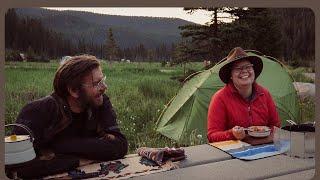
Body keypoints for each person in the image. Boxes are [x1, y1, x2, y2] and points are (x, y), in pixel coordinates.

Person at [9, 55, 128, 178]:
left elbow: (120, 146)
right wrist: (76, 161)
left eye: (103, 80)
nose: (104, 87)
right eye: (97, 83)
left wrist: (60, 146)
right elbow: (17, 168)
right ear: (74, 90)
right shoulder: (36, 112)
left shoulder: (100, 103)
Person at [207, 47, 280, 145]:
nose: (244, 71)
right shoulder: (220, 98)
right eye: (238, 68)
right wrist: (232, 134)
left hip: (265, 148)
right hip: (233, 154)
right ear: (231, 76)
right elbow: (212, 136)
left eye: (248, 67)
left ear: (253, 70)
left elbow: (276, 126)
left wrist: (263, 132)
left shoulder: (264, 94)